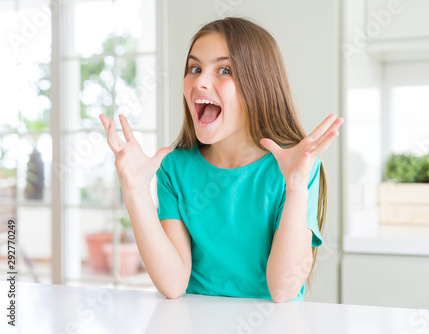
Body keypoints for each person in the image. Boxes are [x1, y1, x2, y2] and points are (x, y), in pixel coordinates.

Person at [99, 17, 343, 303]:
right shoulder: (175, 169)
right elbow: (173, 283)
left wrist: (297, 188)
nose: (200, 81)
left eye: (224, 70)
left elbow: (283, 290)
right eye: (194, 68)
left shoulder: (296, 167)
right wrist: (135, 191)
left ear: (259, 85)